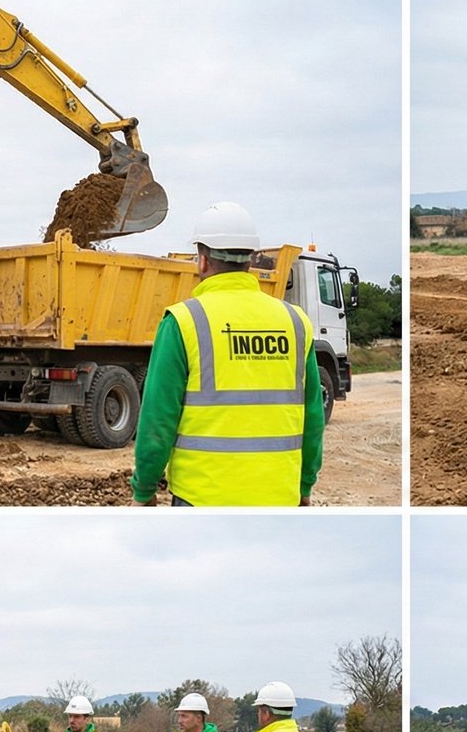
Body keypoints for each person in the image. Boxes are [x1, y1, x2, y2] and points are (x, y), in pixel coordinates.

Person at [131, 202, 325, 507]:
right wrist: (304, 486)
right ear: (251, 260)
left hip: (201, 496)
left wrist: (144, 489)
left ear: (203, 261)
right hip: (278, 495)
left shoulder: (183, 322)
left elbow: (157, 419)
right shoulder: (295, 322)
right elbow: (312, 417)